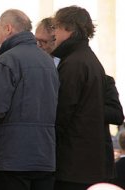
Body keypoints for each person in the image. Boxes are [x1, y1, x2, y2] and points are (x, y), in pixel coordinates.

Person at [0, 9, 59, 190]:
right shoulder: (48, 61)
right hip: (45, 154)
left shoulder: (8, 59)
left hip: (14, 155)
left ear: (8, 28)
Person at [50, 6, 116, 189]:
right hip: (87, 162)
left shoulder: (74, 63)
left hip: (73, 164)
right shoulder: (86, 58)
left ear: (69, 28)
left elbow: (62, 111)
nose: (53, 33)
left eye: (56, 27)